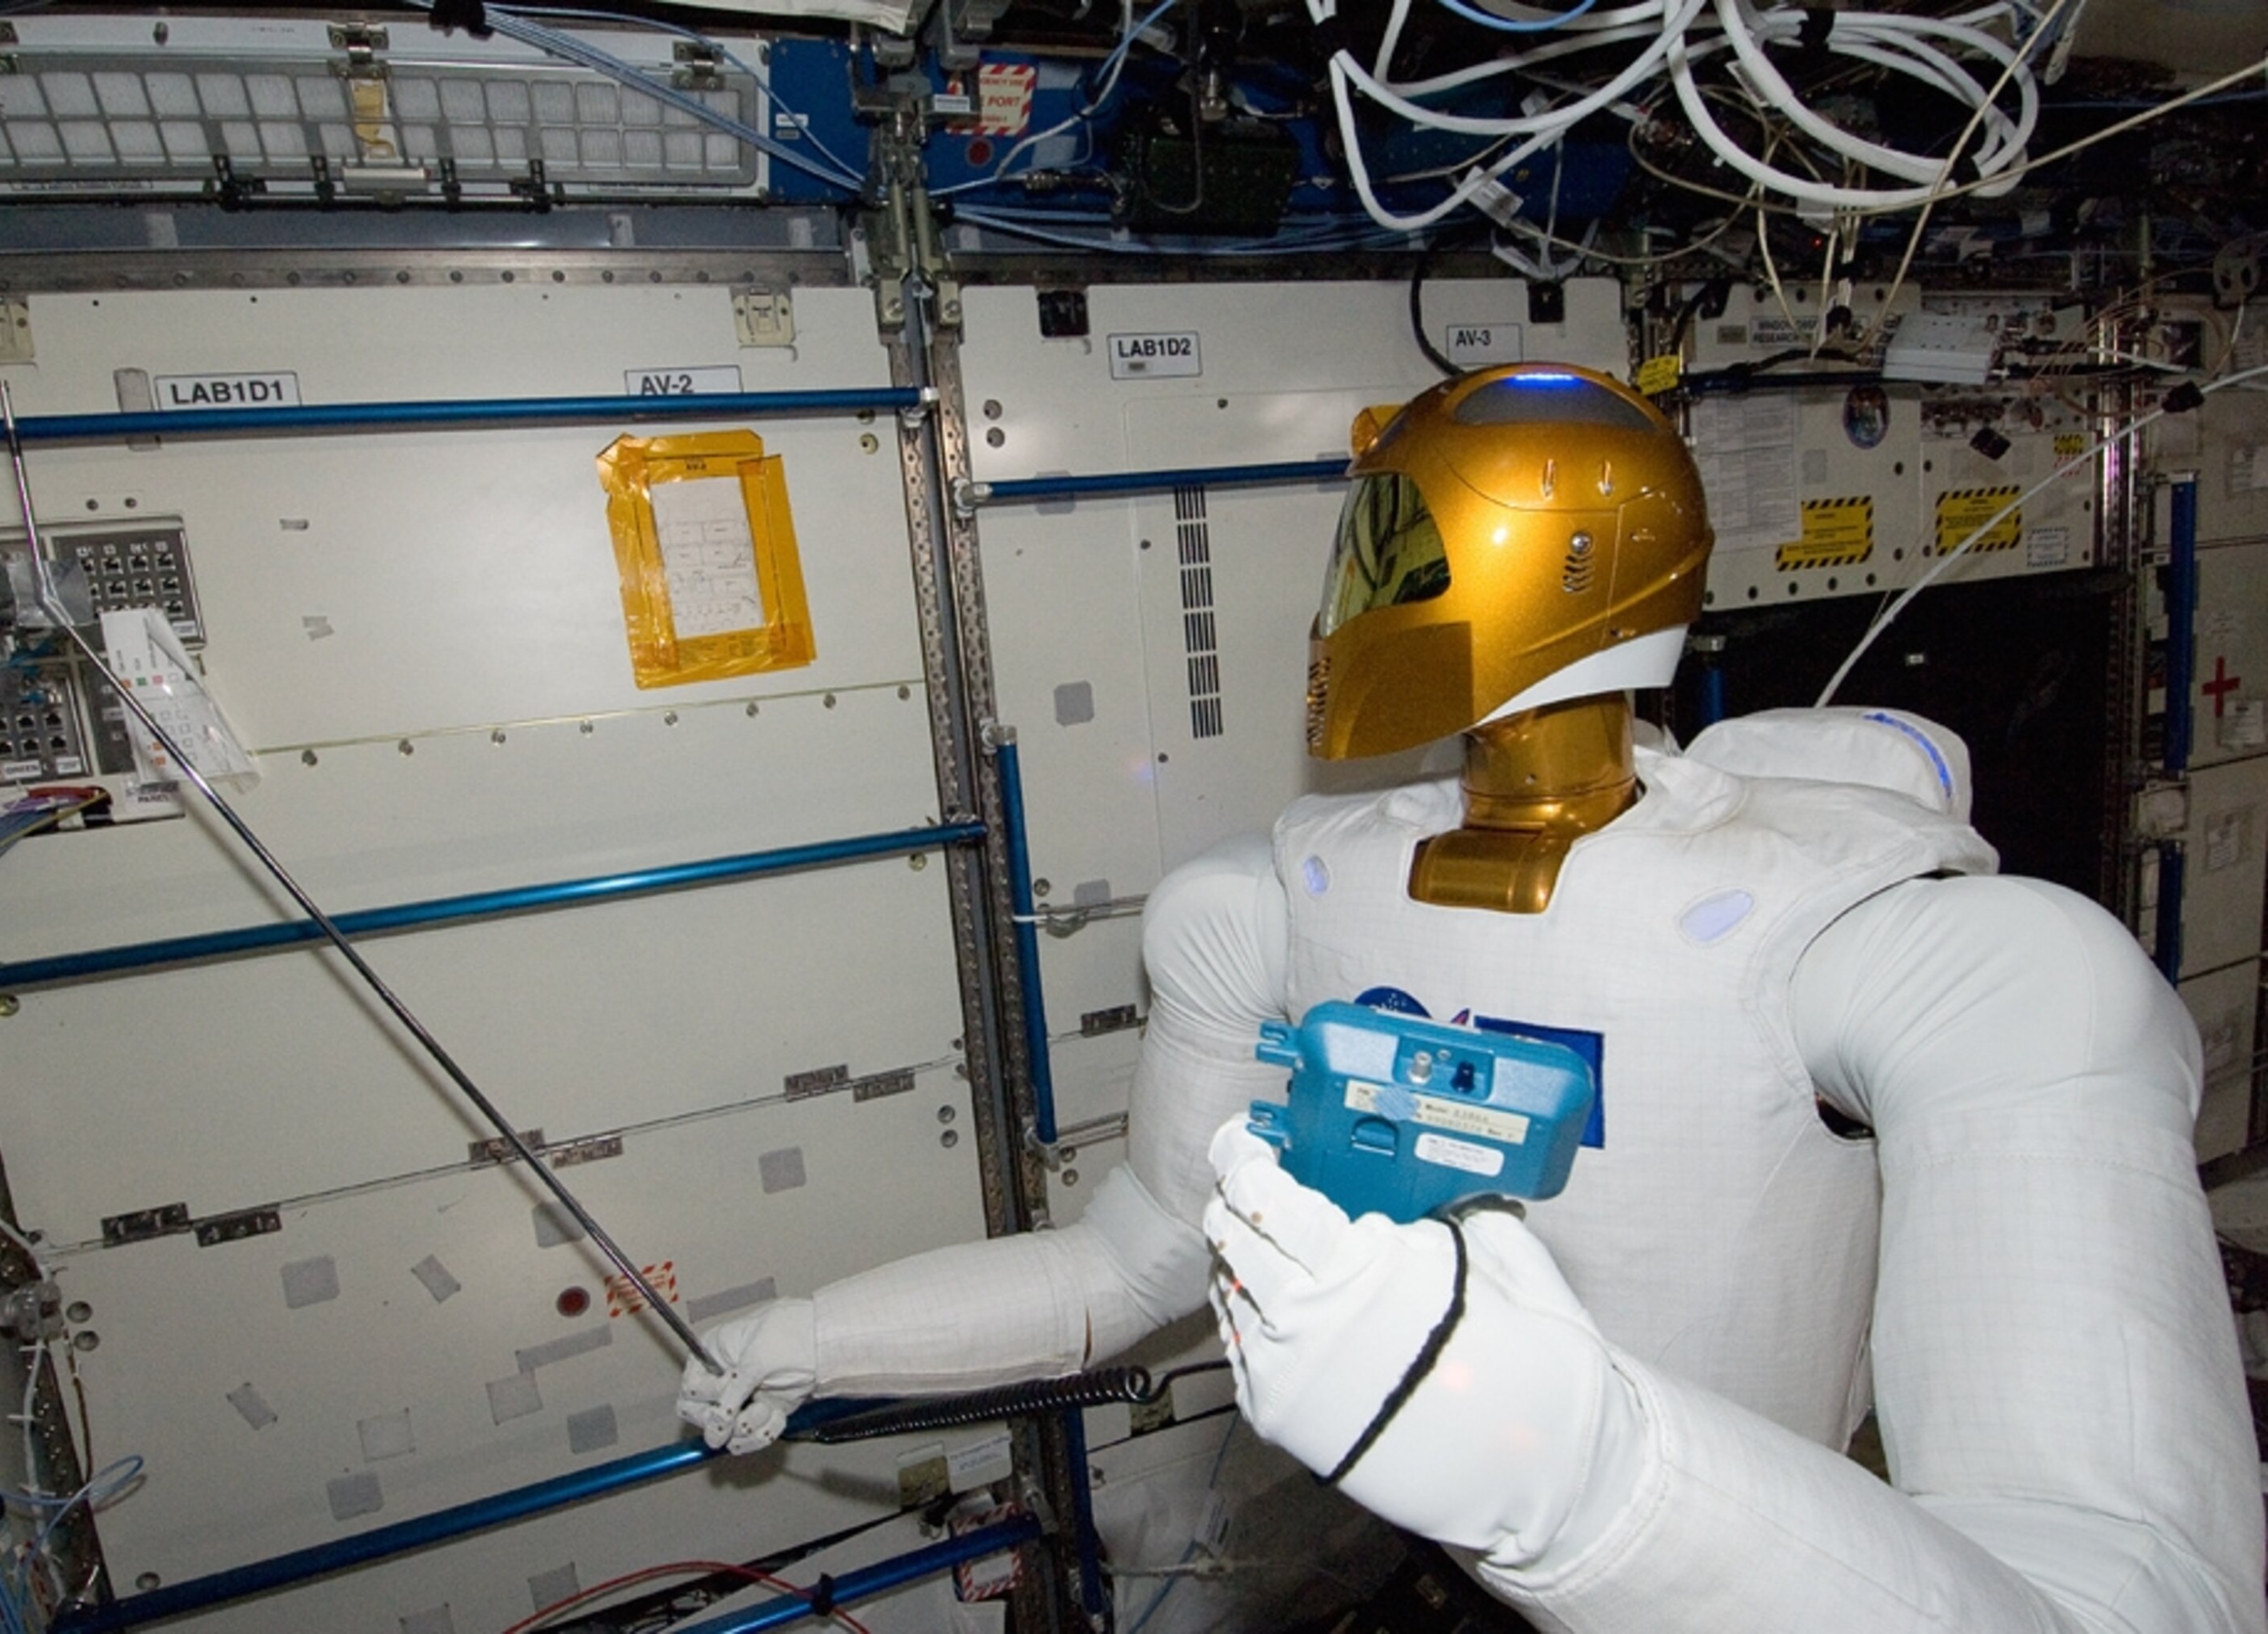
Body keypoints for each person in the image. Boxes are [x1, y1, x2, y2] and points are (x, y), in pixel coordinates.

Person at [682, 363, 2264, 1632]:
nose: (1361, 596)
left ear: (1558, 571)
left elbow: (2126, 1579)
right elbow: (1132, 1258)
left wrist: (1576, 1476)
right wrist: (821, 1337)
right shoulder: (1284, 898)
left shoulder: (1878, 942)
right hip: (1425, 1561)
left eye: (1401, 554)